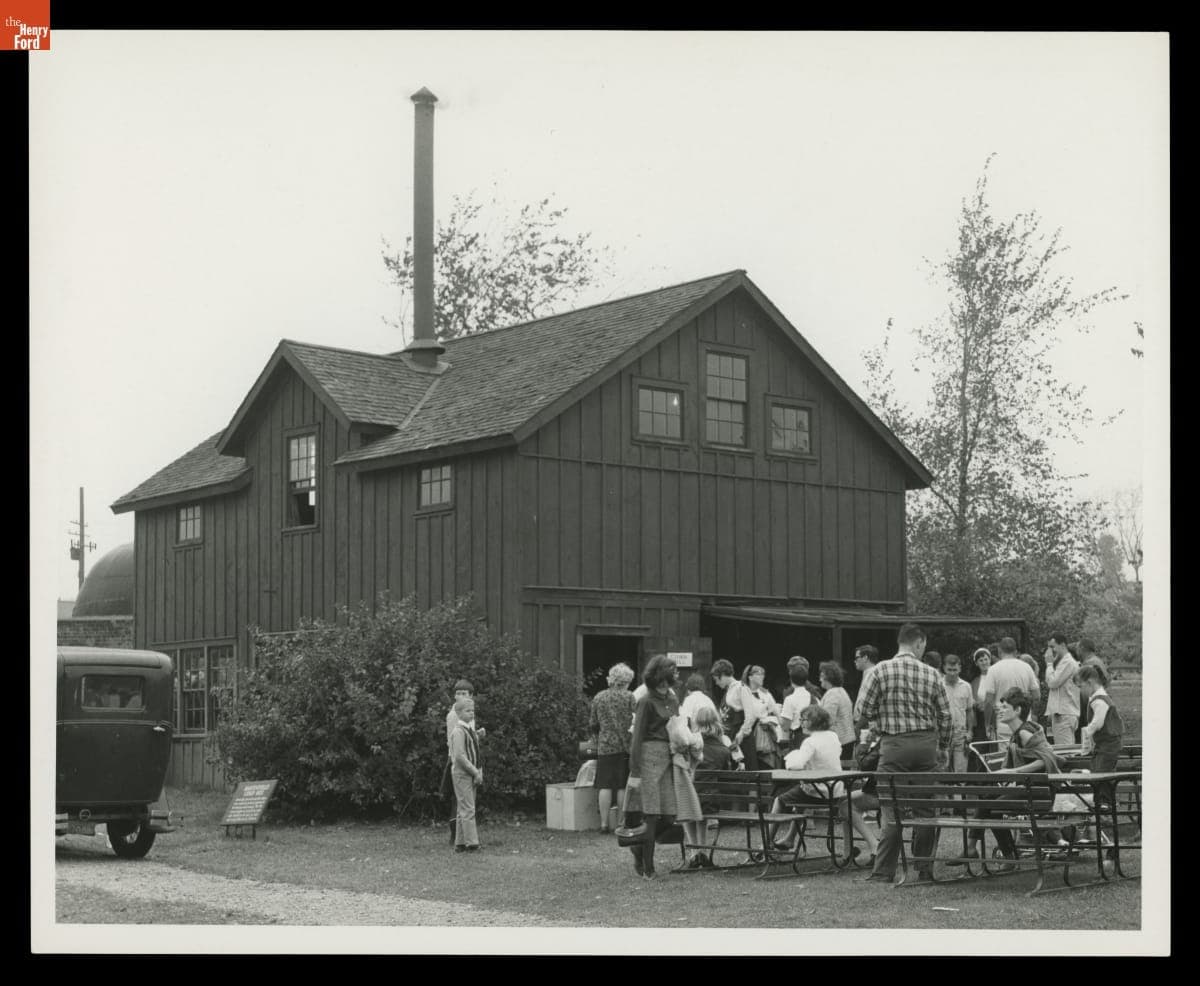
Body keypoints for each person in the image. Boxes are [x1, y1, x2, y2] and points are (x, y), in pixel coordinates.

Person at [857, 622, 951, 884]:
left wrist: (881, 718)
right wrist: (943, 746)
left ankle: (884, 871)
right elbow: (945, 715)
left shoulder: (879, 671)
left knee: (891, 809)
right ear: (919, 643)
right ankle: (923, 868)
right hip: (925, 746)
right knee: (925, 810)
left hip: (894, 746)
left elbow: (862, 710)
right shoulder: (932, 674)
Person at [961, 688, 1064, 865]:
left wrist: (1014, 772)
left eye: (1005, 706)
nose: (1000, 709)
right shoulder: (1017, 734)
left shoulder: (1025, 732)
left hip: (1039, 793)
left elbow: (1049, 758)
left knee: (990, 807)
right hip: (1027, 790)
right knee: (988, 797)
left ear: (1017, 711)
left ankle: (992, 853)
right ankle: (976, 849)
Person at [626, 654, 703, 879]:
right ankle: (648, 868)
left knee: (669, 816)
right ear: (661, 673)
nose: (677, 674)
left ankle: (638, 847)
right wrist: (635, 771)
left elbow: (678, 726)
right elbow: (637, 736)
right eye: (673, 670)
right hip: (648, 757)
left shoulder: (672, 698)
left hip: (669, 756)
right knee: (651, 814)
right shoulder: (646, 701)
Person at [683, 705, 737, 868]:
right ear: (717, 723)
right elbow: (726, 779)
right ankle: (703, 852)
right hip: (711, 802)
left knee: (691, 803)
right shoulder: (723, 750)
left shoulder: (689, 746)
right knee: (702, 808)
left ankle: (694, 853)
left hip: (689, 801)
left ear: (696, 723)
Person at [588, 662, 637, 833]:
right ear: (627, 681)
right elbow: (635, 721)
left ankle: (603, 824)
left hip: (605, 747)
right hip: (625, 746)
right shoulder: (630, 697)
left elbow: (593, 723)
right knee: (622, 785)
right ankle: (620, 823)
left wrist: (598, 736)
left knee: (605, 785)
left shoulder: (599, 697)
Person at [1076, 662, 1125, 810]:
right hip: (1104, 743)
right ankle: (1102, 801)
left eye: (1081, 686)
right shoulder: (1098, 697)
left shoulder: (1100, 700)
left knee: (1102, 772)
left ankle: (1105, 802)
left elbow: (1098, 722)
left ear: (1089, 682)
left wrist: (1087, 731)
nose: (1080, 691)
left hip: (1109, 743)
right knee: (1097, 768)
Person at [443, 679, 485, 844]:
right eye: (458, 693)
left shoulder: (468, 712)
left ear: (471, 696)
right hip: (459, 762)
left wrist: (477, 734)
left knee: (464, 802)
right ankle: (465, 840)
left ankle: (460, 841)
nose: (459, 696)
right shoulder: (455, 714)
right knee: (461, 802)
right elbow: (457, 743)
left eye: (464, 693)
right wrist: (474, 770)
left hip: (468, 761)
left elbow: (468, 736)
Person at [979, 637, 1041, 743]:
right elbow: (1037, 697)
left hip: (1004, 724)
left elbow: (988, 701)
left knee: (1005, 758)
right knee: (1025, 757)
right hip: (1025, 723)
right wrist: (1033, 715)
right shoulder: (1027, 667)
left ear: (999, 651)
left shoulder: (993, 670)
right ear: (1016, 652)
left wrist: (987, 724)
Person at [735, 665, 781, 770]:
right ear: (750, 677)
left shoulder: (765, 693)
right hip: (748, 732)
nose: (762, 677)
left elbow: (776, 711)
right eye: (759, 674)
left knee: (766, 762)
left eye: (763, 674)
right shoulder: (743, 691)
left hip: (764, 733)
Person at [1044, 631, 1081, 746]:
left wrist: (1049, 664)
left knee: (1065, 753)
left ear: (1063, 645)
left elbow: (1053, 683)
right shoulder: (1062, 662)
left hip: (1064, 715)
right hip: (1063, 714)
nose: (1050, 651)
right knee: (1065, 751)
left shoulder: (1068, 662)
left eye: (1052, 647)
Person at [941, 654, 975, 773]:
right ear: (944, 668)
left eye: (955, 670)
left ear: (960, 668)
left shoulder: (966, 686)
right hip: (943, 734)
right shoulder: (939, 686)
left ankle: (959, 792)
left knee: (961, 770)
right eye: (949, 670)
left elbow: (970, 710)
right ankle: (944, 792)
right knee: (943, 770)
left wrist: (970, 731)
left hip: (960, 733)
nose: (952, 673)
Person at [818, 661, 856, 760]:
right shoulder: (842, 691)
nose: (819, 679)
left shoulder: (832, 694)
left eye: (822, 676)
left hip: (839, 742)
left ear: (828, 677)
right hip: (846, 740)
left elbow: (827, 720)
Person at [780, 659, 813, 747]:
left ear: (791, 678)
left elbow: (785, 727)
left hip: (799, 739)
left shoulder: (790, 698)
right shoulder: (814, 696)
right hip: (814, 737)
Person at [970, 648, 996, 748]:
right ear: (976, 663)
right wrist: (976, 704)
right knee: (981, 748)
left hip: (994, 718)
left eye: (986, 659)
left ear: (990, 660)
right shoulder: (974, 681)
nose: (984, 662)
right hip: (980, 719)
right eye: (981, 660)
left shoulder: (996, 677)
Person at [852, 645, 880, 721]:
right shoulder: (868, 673)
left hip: (868, 724)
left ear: (865, 658)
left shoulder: (873, 674)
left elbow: (868, 704)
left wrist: (858, 725)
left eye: (857, 658)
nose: (855, 661)